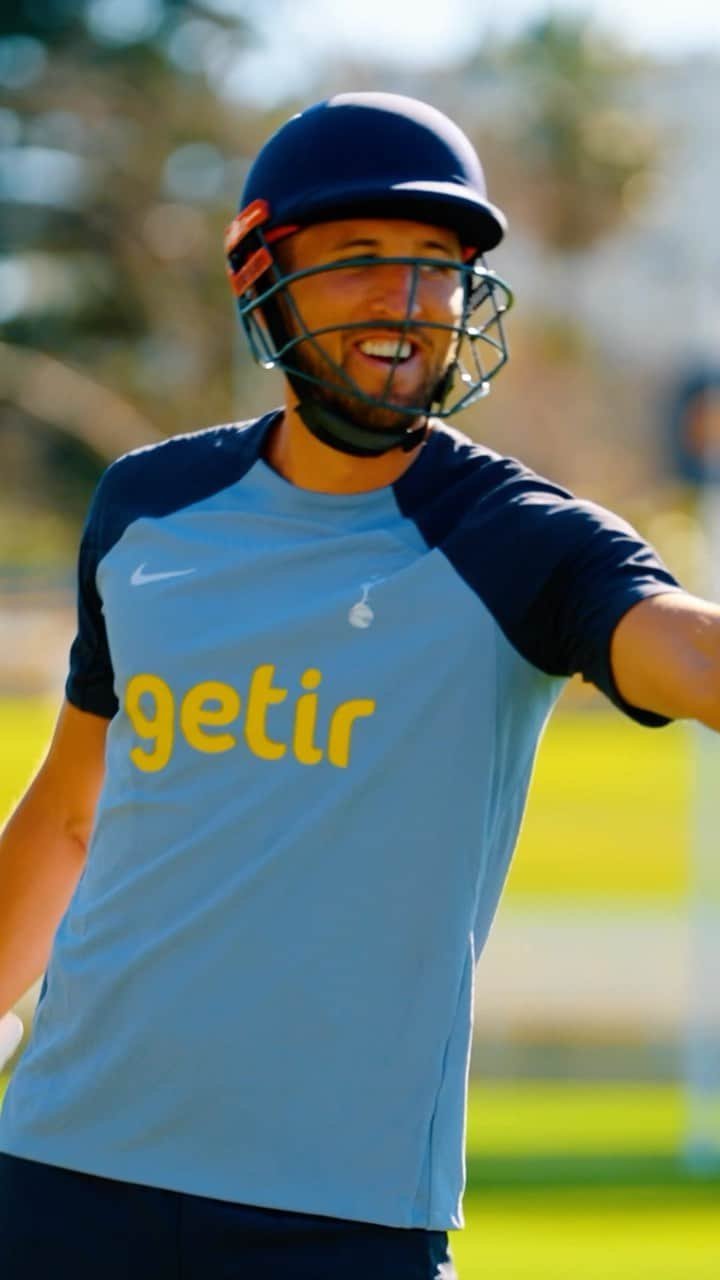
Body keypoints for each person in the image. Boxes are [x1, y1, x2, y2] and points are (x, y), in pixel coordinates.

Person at [0, 91, 717, 1280]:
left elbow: (689, 651)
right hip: (61, 1169)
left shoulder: (518, 538)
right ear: (262, 282)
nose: (408, 302)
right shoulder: (144, 508)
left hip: (341, 1216)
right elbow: (75, 807)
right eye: (361, 262)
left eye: (438, 269)